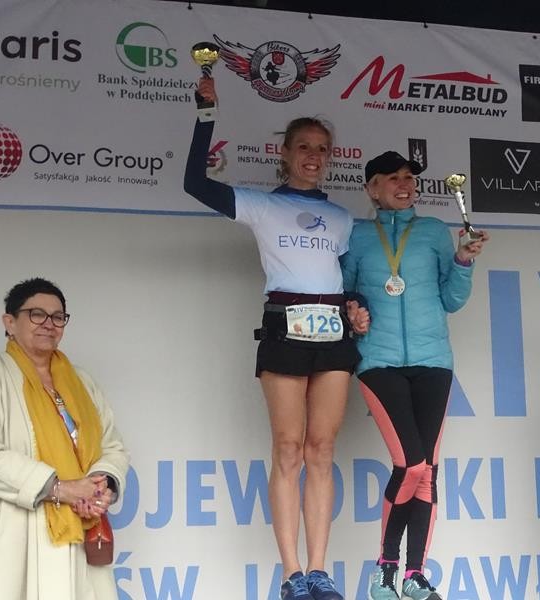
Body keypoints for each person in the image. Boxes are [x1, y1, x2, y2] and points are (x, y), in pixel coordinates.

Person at [184, 77, 368, 600]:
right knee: (288, 448)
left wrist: (359, 308)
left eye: (322, 149)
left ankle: (319, 571)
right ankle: (292, 574)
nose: (313, 156)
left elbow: (347, 282)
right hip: (285, 326)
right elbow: (195, 183)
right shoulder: (261, 205)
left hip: (332, 331)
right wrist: (205, 116)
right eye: (303, 146)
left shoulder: (342, 218)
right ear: (283, 154)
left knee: (322, 449)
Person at [341, 152, 489, 600]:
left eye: (409, 178)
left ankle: (415, 575)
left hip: (433, 360)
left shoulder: (433, 232)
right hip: (379, 361)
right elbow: (343, 290)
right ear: (372, 188)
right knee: (410, 464)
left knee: (427, 471)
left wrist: (463, 260)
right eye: (393, 178)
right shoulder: (357, 236)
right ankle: (385, 568)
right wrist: (352, 310)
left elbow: (452, 299)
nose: (405, 184)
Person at [0, 277, 130, 600]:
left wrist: (99, 486)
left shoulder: (81, 381)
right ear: (9, 322)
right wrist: (59, 488)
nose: (49, 324)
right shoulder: (0, 376)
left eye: (58, 317)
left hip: (84, 524)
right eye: (37, 314)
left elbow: (112, 445)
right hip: (21, 527)